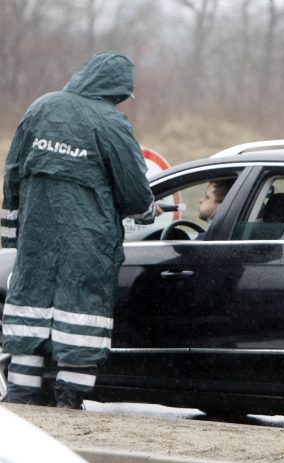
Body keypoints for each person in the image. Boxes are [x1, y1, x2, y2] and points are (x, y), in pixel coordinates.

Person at [0, 52, 158, 409]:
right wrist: (148, 210)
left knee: (29, 317)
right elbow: (133, 189)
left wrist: (12, 239)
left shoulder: (40, 109)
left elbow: (12, 176)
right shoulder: (111, 123)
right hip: (88, 243)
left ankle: (22, 402)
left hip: (34, 244)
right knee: (82, 318)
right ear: (117, 89)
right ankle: (69, 403)